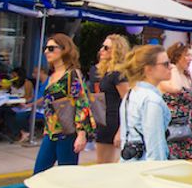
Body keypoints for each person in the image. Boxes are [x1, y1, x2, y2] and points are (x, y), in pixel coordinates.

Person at [33, 34, 95, 175]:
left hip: (67, 133)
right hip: (50, 133)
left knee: (66, 176)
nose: (46, 52)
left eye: (51, 48)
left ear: (64, 49)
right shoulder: (53, 75)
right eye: (45, 48)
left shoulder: (72, 74)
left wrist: (81, 134)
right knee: (38, 174)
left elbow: (82, 104)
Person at [119, 44, 171, 162]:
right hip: (145, 168)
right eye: (166, 64)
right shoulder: (151, 100)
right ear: (149, 69)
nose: (171, 67)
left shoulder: (131, 93)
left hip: (130, 164)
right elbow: (155, 145)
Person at [159, 43, 192, 160]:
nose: (190, 59)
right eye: (187, 55)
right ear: (178, 56)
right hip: (173, 125)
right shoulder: (167, 76)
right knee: (174, 160)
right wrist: (174, 68)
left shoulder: (188, 75)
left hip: (189, 124)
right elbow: (176, 89)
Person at [94, 34, 131, 164]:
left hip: (113, 122)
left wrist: (121, 130)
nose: (101, 50)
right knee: (103, 163)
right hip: (105, 121)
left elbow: (128, 102)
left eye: (106, 47)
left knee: (105, 164)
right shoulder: (109, 73)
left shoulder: (118, 74)